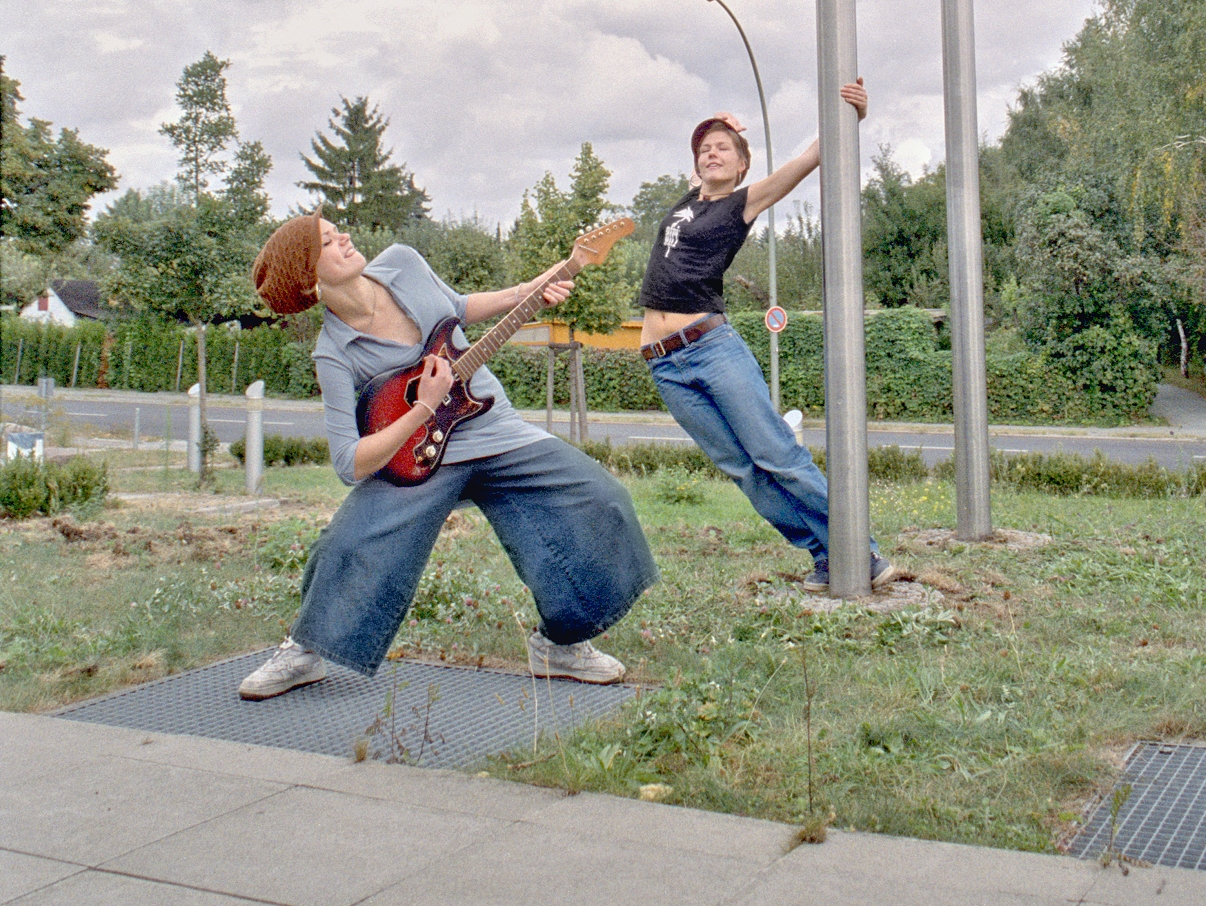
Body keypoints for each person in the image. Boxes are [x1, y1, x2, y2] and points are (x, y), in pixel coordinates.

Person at [238, 213, 657, 700]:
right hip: (418, 457)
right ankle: (306, 649)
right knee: (350, 541)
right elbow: (349, 463)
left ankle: (559, 647)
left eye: (337, 229)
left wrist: (528, 290)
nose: (345, 237)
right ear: (310, 280)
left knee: (602, 498)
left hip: (492, 428)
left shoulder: (402, 263)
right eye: (328, 242)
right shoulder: (333, 351)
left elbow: (456, 306)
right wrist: (423, 408)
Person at [639, 81, 897, 593]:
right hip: (663, 363)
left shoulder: (742, 202)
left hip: (710, 349)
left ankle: (859, 551)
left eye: (723, 149)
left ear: (742, 166)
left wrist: (851, 117)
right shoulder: (688, 202)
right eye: (704, 149)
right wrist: (719, 123)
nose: (711, 153)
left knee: (776, 454)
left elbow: (805, 161)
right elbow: (707, 151)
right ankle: (825, 554)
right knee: (743, 470)